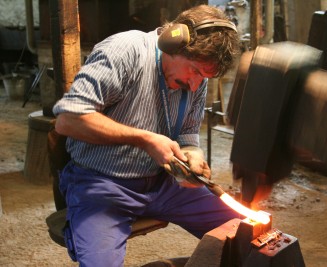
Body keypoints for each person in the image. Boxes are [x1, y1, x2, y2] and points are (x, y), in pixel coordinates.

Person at [53, 4, 241, 266]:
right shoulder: (123, 51)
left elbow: (187, 135)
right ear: (172, 43)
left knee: (247, 237)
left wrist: (192, 157)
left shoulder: (196, 80)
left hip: (164, 184)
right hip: (101, 183)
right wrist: (145, 139)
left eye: (205, 77)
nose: (196, 85)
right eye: (196, 71)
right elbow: (68, 120)